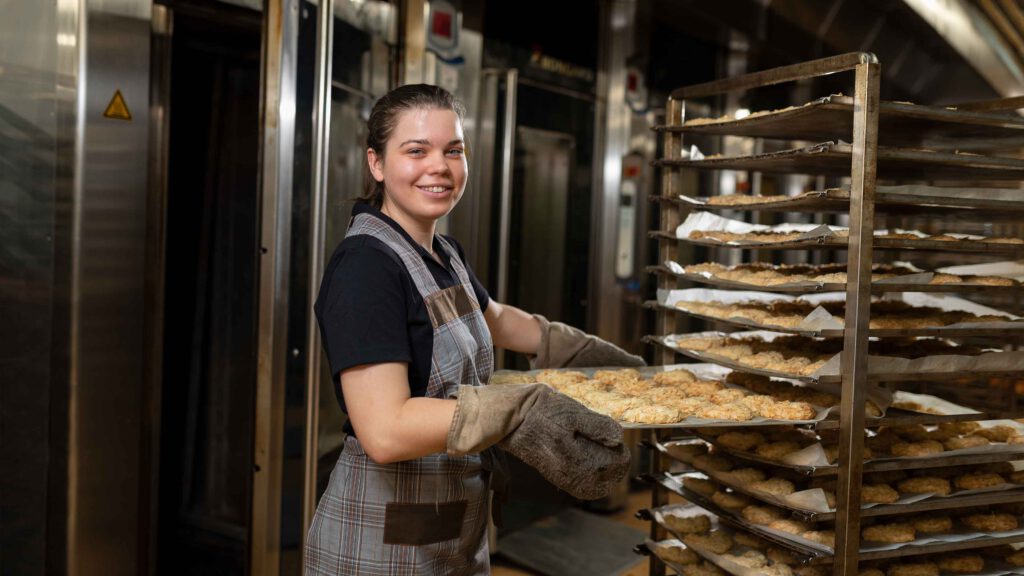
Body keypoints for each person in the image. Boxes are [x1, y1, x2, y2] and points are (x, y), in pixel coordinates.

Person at [305, 84, 644, 575]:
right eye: (416, 150)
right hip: (382, 546)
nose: (439, 166)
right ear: (377, 164)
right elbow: (385, 429)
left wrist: (583, 352)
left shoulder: (444, 253)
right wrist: (519, 410)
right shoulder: (365, 267)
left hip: (452, 529)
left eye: (454, 150)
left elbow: (495, 318)